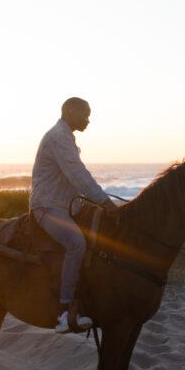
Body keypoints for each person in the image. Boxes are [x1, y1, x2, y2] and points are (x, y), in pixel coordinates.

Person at [30, 97, 119, 334]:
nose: (88, 120)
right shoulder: (58, 137)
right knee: (76, 243)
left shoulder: (67, 136)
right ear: (70, 111)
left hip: (67, 206)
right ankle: (63, 309)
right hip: (48, 206)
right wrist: (105, 202)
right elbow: (78, 174)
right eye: (85, 114)